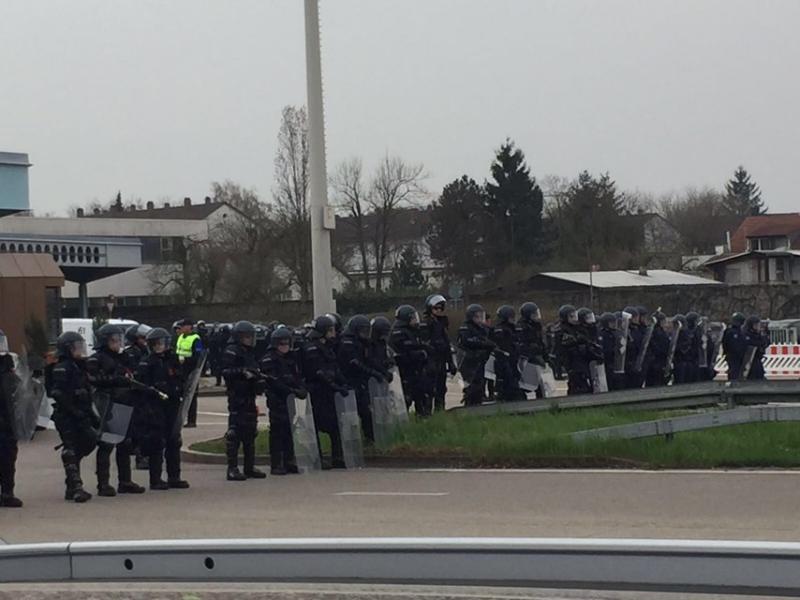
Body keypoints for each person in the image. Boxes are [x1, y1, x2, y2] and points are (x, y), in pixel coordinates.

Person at [87, 324, 145, 496]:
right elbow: (94, 379)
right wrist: (116, 380)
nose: (118, 343)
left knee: (125, 443)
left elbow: (133, 373)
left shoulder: (123, 357)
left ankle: (125, 481)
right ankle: (103, 483)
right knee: (107, 443)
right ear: (104, 341)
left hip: (124, 401)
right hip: (107, 403)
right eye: (114, 339)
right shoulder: (96, 359)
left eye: (119, 339)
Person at [136, 327, 190, 490]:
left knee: (174, 440)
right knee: (157, 443)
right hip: (155, 406)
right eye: (157, 344)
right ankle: (156, 478)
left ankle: (174, 476)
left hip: (172, 404)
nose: (160, 347)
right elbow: (142, 385)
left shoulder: (172, 359)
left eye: (163, 343)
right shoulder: (147, 362)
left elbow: (181, 378)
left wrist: (178, 388)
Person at [48, 331, 96, 503]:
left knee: (90, 440)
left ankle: (71, 482)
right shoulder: (63, 367)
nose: (80, 350)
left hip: (81, 412)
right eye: (76, 347)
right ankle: (76, 487)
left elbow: (87, 392)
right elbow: (57, 393)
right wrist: (73, 410)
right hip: (66, 415)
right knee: (70, 448)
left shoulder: (79, 366)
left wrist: (90, 414)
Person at [220, 321, 267, 481]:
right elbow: (225, 371)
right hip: (237, 396)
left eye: (250, 337)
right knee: (235, 432)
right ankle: (232, 468)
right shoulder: (232, 351)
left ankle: (249, 466)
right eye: (246, 337)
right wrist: (242, 372)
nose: (249, 339)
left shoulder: (249, 353)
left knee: (250, 431)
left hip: (249, 395)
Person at [302, 315, 348, 469]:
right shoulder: (311, 348)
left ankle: (338, 457)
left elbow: (334, 368)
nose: (334, 334)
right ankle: (318, 457)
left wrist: (343, 383)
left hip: (329, 393)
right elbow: (318, 373)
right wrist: (336, 386)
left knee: (335, 426)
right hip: (317, 392)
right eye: (331, 331)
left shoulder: (327, 348)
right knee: (316, 425)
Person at [261, 326, 303, 475]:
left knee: (289, 431)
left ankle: (289, 460)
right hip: (277, 400)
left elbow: (296, 376)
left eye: (287, 343)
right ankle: (276, 463)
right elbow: (274, 382)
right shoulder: (269, 359)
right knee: (277, 432)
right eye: (282, 343)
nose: (285, 346)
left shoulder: (291, 358)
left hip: (290, 400)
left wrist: (300, 388)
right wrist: (292, 390)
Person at [338, 315, 384, 444]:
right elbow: (355, 363)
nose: (365, 334)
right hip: (350, 381)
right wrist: (373, 373)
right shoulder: (347, 343)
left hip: (360, 382)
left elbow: (369, 360)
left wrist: (381, 371)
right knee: (352, 414)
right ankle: (351, 441)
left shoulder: (362, 343)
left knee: (366, 411)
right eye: (362, 331)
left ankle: (369, 439)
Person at [389, 305, 432, 416]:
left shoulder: (413, 331)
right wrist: (419, 353)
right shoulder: (398, 333)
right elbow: (404, 351)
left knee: (422, 395)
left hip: (416, 369)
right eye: (413, 318)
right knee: (407, 397)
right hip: (405, 371)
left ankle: (422, 416)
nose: (415, 321)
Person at [419, 294, 457, 413]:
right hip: (430, 361)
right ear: (430, 309)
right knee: (429, 390)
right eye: (436, 308)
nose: (439, 310)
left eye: (441, 308)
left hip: (441, 360)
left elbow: (446, 344)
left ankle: (439, 413)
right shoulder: (426, 324)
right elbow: (424, 344)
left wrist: (451, 363)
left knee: (441, 389)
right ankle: (427, 414)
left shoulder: (442, 323)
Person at [124, 324, 151, 471]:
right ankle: (140, 456)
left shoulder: (145, 351)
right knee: (139, 427)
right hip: (135, 393)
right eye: (142, 338)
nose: (145, 340)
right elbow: (134, 373)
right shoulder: (131, 353)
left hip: (145, 392)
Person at [457, 304, 495, 406]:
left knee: (480, 385)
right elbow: (467, 341)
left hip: (480, 361)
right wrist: (483, 344)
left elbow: (490, 337)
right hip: (468, 362)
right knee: (471, 386)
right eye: (477, 316)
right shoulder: (465, 327)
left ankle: (478, 404)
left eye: (481, 316)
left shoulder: (483, 328)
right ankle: (469, 404)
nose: (480, 319)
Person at [0, 330, 22, 507]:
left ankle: (7, 492)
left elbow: (18, 395)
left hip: (7, 423)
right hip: (5, 421)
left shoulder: (8, 369)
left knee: (8, 458)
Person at [555, 304, 596, 395]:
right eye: (571, 316)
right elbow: (563, 345)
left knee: (586, 382)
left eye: (575, 315)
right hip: (571, 361)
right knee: (576, 383)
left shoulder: (578, 328)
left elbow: (585, 340)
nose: (574, 318)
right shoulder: (561, 329)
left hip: (581, 359)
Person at [490, 305, 525, 402]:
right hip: (504, 362)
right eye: (511, 317)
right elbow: (501, 346)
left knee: (516, 383)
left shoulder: (514, 328)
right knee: (507, 384)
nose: (513, 319)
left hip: (515, 361)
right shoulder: (499, 330)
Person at [175, 318, 204, 428]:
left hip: (191, 371)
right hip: (180, 370)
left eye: (183, 326)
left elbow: (198, 356)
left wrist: (185, 360)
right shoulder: (181, 337)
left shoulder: (196, 339)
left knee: (191, 396)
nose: (181, 328)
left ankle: (192, 420)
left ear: (189, 327)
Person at [597, 313, 623, 390]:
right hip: (607, 363)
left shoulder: (617, 333)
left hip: (617, 363)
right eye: (612, 323)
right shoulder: (602, 334)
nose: (614, 324)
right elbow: (604, 349)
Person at [644, 311, 670, 387]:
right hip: (656, 362)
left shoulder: (659, 331)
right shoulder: (657, 332)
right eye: (663, 321)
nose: (664, 323)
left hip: (658, 361)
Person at [742, 315, 770, 380]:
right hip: (749, 361)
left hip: (757, 360)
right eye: (756, 325)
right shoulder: (746, 335)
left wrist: (765, 335)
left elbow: (764, 344)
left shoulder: (758, 334)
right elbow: (754, 344)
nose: (758, 327)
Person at [623, 305, 643, 389]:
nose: (637, 319)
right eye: (635, 317)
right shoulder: (624, 331)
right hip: (627, 364)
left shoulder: (637, 330)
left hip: (636, 362)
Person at [722, 312, 747, 381]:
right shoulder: (731, 332)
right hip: (733, 357)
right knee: (734, 374)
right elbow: (728, 345)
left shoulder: (739, 332)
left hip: (737, 358)